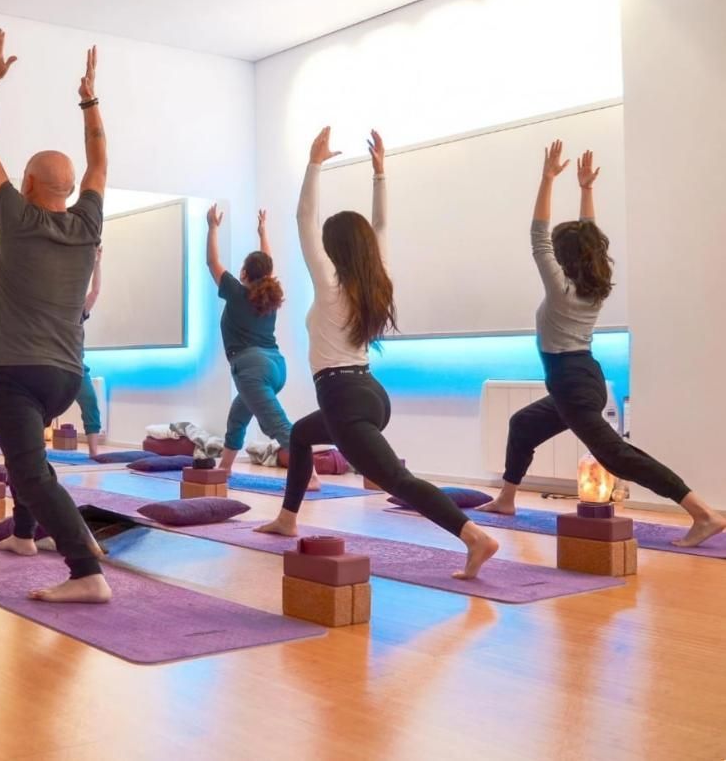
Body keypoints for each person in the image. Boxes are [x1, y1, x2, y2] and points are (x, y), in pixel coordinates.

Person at [255, 127, 500, 580]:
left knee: (399, 482)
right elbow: (381, 227)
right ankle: (288, 519)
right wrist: (380, 174)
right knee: (303, 436)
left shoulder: (330, 287)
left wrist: (313, 163)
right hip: (367, 392)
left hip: (344, 398)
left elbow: (304, 220)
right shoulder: (375, 280)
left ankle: (473, 537)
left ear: (335, 251)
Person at [477, 143, 725, 547]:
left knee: (616, 456)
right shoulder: (593, 287)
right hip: (580, 378)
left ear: (562, 258)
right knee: (523, 424)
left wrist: (548, 179)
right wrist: (586, 190)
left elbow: (538, 237)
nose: (551, 255)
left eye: (557, 253)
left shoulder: (560, 291)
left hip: (572, 383)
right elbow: (587, 239)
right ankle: (506, 499)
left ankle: (703, 513)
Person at [0, 30, 110, 602]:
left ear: (25, 185)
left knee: (29, 470)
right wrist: (90, 101)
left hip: (19, 375)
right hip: (65, 378)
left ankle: (86, 570)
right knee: (27, 455)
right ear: (72, 189)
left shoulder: (16, 216)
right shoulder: (88, 223)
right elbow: (100, 160)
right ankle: (25, 535)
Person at [206, 207, 295, 474]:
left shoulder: (236, 292)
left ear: (244, 272)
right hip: (276, 367)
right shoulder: (270, 296)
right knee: (237, 418)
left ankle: (310, 474)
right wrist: (263, 232)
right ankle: (225, 469)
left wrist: (212, 227)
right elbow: (267, 262)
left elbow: (212, 262)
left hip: (252, 369)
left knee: (279, 425)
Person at [76, 245, 104, 457]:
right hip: (54, 367)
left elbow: (94, 292)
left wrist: (97, 263)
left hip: (76, 367)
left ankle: (93, 452)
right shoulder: (51, 313)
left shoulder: (78, 311)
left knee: (90, 402)